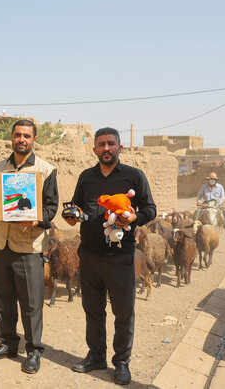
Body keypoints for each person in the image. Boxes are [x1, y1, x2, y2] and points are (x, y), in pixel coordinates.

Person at [64, 127, 156, 385]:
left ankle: (122, 362)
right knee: (93, 309)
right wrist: (72, 217)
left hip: (120, 256)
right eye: (101, 144)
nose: (106, 148)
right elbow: (77, 208)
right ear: (94, 149)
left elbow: (150, 208)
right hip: (90, 255)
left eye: (111, 143)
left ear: (120, 148)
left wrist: (136, 216)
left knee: (124, 312)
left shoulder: (134, 176)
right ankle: (96, 356)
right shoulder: (85, 177)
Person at [0, 119, 59, 374]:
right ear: (11, 138)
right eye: (17, 135)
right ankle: (7, 342)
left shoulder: (46, 170)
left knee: (31, 303)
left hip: (28, 245)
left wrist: (38, 219)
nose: (21, 139)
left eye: (26, 135)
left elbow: (51, 207)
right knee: (4, 298)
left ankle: (34, 351)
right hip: (1, 243)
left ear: (34, 139)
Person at [193, 172, 225, 241]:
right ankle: (195, 230)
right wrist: (199, 201)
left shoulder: (220, 187)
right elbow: (199, 195)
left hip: (217, 203)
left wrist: (219, 204)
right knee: (197, 212)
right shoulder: (204, 186)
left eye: (213, 179)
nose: (212, 180)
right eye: (211, 179)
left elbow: (223, 197)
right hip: (206, 203)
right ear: (208, 180)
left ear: (216, 180)